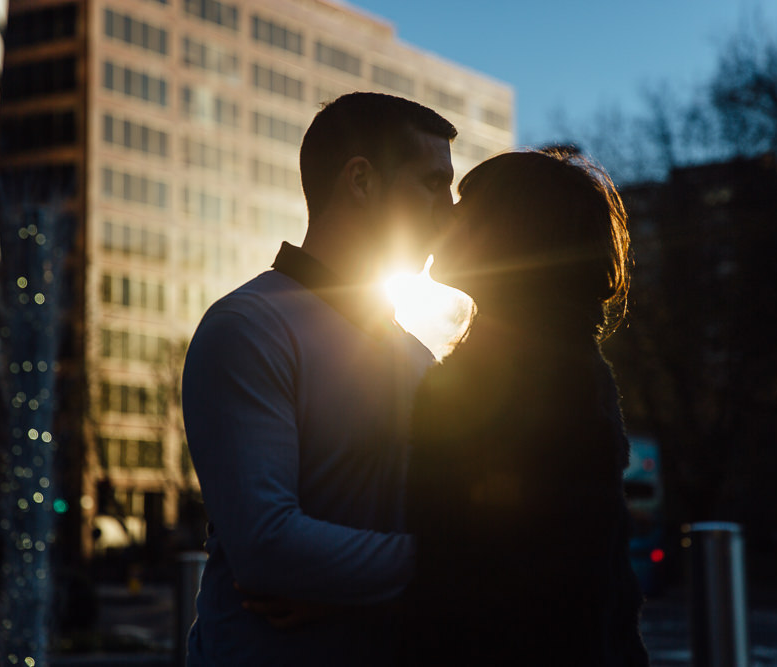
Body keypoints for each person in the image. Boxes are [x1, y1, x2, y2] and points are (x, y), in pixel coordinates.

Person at [180, 92, 457, 665]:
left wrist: (351, 590)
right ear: (361, 181)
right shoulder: (248, 327)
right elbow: (269, 547)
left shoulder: (416, 356)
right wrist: (454, 562)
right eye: (433, 185)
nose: (449, 212)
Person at [403, 147, 650, 665]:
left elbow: (477, 561)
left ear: (509, 231)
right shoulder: (562, 366)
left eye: (466, 203)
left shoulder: (523, 377)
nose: (448, 213)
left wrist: (326, 592)